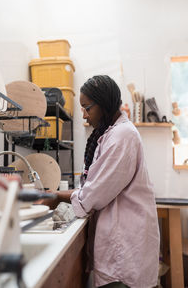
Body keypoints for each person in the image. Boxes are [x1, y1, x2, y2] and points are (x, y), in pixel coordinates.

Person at [44, 75, 160, 288]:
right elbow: (93, 185)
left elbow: (94, 194)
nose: (84, 115)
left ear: (104, 104)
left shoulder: (123, 136)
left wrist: (54, 196)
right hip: (120, 242)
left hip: (126, 246)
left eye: (87, 107)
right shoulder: (109, 134)